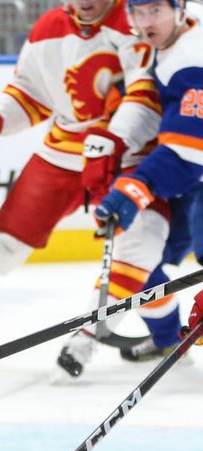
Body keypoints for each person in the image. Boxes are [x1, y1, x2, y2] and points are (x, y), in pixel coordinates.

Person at [0, 0, 169, 378]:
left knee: (143, 244)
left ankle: (88, 337)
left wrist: (113, 141)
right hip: (62, 155)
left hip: (130, 153)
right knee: (1, 246)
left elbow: (147, 98)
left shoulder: (140, 20)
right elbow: (27, 96)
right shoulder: (49, 28)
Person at [96, 0, 203, 360]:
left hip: (194, 173)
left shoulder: (190, 61)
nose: (145, 22)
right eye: (138, 13)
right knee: (148, 257)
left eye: (155, 10)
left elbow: (188, 152)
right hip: (194, 185)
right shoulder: (185, 31)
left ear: (178, 7)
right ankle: (167, 336)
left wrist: (133, 189)